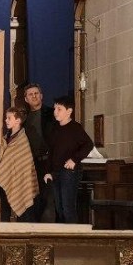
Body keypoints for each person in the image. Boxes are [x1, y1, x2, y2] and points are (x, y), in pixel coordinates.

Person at [43, 95, 94, 224]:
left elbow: (88, 144)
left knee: (68, 207)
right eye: (55, 109)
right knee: (59, 208)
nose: (55, 112)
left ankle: (72, 234)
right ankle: (61, 234)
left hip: (69, 172)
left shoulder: (75, 128)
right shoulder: (54, 129)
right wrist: (48, 172)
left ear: (69, 111)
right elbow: (51, 152)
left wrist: (74, 159)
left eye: (59, 109)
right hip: (55, 172)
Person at [0, 106, 38, 222]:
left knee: (23, 207)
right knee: (4, 210)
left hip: (20, 180)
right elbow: (0, 159)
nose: (6, 120)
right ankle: (4, 232)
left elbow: (25, 163)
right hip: (4, 178)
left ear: (18, 121)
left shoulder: (23, 140)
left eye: (9, 118)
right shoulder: (5, 139)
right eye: (6, 118)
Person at [23, 83, 56, 221]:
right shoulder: (24, 118)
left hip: (49, 162)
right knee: (34, 200)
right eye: (30, 94)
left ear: (41, 96)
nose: (34, 96)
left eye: (36, 93)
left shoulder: (52, 113)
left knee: (50, 200)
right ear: (26, 99)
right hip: (32, 164)